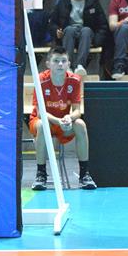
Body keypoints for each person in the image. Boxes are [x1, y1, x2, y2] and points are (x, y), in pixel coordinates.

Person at [27, 45, 98, 190]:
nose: (60, 64)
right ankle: (41, 175)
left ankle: (84, 175)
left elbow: (77, 110)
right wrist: (58, 121)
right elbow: (40, 113)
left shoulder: (75, 80)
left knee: (80, 124)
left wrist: (69, 118)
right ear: (48, 64)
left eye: (63, 61)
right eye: (56, 61)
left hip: (63, 123)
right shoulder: (41, 80)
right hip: (43, 122)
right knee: (42, 125)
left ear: (68, 64)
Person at [51, 0, 106, 75]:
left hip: (87, 37)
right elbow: (52, 23)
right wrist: (56, 32)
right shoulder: (63, 2)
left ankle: (80, 66)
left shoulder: (93, 2)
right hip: (68, 35)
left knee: (86, 30)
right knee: (69, 29)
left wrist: (96, 40)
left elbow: (103, 25)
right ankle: (68, 66)